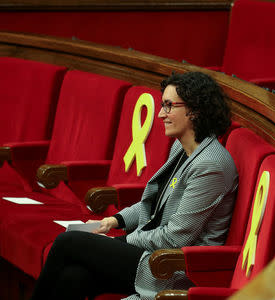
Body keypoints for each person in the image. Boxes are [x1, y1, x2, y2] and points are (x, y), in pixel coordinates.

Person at [30, 71, 239, 300]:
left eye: (169, 106)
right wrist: (112, 221)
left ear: (195, 110)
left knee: (67, 241)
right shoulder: (182, 148)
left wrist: (120, 241)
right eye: (162, 106)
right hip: (151, 254)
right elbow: (155, 205)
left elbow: (175, 239)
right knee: (75, 277)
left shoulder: (211, 165)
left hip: (172, 267)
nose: (160, 114)